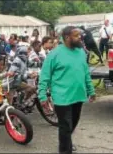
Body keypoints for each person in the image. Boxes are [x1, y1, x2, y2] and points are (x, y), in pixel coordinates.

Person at [38, 26, 96, 154]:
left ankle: (66, 142)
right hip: (61, 97)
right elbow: (44, 76)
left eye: (80, 35)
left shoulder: (81, 52)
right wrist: (42, 96)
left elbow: (85, 73)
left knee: (72, 125)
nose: (80, 37)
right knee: (65, 127)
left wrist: (91, 90)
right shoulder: (54, 54)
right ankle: (65, 149)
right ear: (67, 37)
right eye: (76, 35)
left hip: (78, 96)